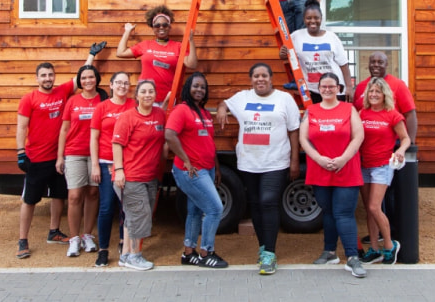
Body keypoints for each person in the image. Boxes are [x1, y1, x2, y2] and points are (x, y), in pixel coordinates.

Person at [15, 41, 106, 259]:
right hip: (36, 157)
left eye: (50, 75)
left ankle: (54, 231)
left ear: (54, 77)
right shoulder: (29, 98)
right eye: (43, 75)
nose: (47, 78)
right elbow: (21, 126)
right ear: (37, 78)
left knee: (59, 197)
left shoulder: (62, 92)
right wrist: (20, 152)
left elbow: (81, 78)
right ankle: (22, 240)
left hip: (59, 157)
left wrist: (91, 55)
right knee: (30, 200)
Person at [216, 63, 300, 275]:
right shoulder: (243, 97)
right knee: (254, 204)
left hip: (276, 162)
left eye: (264, 75)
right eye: (256, 76)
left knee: (268, 202)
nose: (260, 79)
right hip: (248, 162)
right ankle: (263, 247)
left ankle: (270, 254)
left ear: (271, 78)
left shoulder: (284, 99)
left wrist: (295, 160)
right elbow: (223, 102)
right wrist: (222, 108)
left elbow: (293, 131)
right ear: (251, 79)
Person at [299, 72, 366, 278]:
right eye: (324, 87)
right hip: (320, 169)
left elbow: (358, 135)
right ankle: (329, 252)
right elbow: (303, 139)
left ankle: (353, 257)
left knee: (343, 213)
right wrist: (318, 159)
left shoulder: (349, 108)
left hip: (345, 168)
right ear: (319, 89)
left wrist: (344, 158)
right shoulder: (311, 110)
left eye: (331, 86)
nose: (327, 90)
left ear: (339, 88)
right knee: (327, 212)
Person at [166, 72, 228, 269]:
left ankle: (188, 253)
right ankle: (206, 252)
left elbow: (208, 142)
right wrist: (186, 161)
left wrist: (216, 167)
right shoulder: (181, 110)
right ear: (187, 88)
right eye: (195, 86)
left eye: (202, 87)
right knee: (215, 209)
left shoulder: (204, 113)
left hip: (207, 169)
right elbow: (169, 134)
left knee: (194, 211)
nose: (199, 90)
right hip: (190, 171)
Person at [353, 51, 417, 243]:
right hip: (365, 156)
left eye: (380, 62)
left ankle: (391, 238)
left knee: (386, 199)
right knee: (371, 204)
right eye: (372, 61)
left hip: (389, 149)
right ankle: (375, 240)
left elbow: (410, 114)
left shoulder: (397, 85)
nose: (376, 65)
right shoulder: (361, 88)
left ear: (387, 64)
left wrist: (408, 145)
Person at [112, 80, 166, 271]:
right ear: (137, 96)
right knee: (139, 215)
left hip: (149, 176)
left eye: (151, 91)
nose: (148, 94)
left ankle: (126, 255)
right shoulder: (127, 117)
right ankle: (135, 256)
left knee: (133, 216)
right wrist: (119, 170)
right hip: (130, 177)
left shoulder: (160, 114)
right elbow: (117, 144)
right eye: (143, 91)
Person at [56, 65, 108, 258]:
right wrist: (60, 156)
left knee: (93, 193)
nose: (88, 81)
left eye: (91, 77)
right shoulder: (72, 101)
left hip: (97, 153)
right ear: (80, 80)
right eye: (84, 78)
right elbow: (63, 130)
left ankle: (87, 235)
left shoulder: (103, 99)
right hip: (74, 152)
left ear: (97, 79)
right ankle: (74, 238)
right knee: (75, 195)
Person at [358, 77, 411, 265]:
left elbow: (405, 138)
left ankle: (389, 246)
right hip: (364, 165)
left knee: (374, 206)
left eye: (377, 92)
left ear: (384, 95)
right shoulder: (362, 113)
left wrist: (400, 150)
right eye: (370, 91)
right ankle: (374, 248)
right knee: (369, 210)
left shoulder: (392, 114)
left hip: (382, 166)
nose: (373, 95)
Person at [90, 71, 134, 267]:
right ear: (111, 85)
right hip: (106, 163)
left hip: (128, 164)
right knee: (107, 207)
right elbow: (93, 138)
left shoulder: (134, 105)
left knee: (126, 207)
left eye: (126, 83)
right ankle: (103, 249)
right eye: (119, 83)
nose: (122, 86)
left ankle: (124, 243)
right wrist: (94, 165)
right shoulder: (102, 107)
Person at [116, 5, 198, 105]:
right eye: (157, 25)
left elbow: (192, 64)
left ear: (169, 26)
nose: (161, 27)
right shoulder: (145, 45)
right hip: (145, 98)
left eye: (165, 25)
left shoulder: (178, 46)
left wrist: (191, 40)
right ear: (153, 27)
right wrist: (127, 32)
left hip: (168, 99)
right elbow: (120, 53)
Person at [279, 0, 353, 103]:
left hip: (334, 89)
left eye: (316, 18)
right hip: (312, 90)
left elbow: (344, 64)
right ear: (304, 19)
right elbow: (284, 55)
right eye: (309, 18)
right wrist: (282, 53)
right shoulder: (296, 36)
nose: (313, 21)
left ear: (321, 18)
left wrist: (349, 87)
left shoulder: (332, 37)